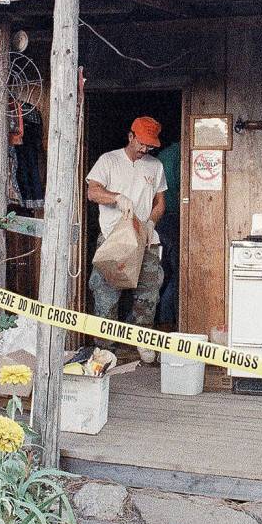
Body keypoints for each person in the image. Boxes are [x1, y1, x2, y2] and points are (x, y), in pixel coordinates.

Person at [86, 116, 167, 360]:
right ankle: (105, 349)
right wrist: (117, 198)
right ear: (130, 136)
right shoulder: (109, 160)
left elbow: (160, 202)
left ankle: (144, 342)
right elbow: (93, 191)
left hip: (145, 240)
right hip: (114, 239)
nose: (145, 149)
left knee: (148, 293)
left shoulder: (155, 166)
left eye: (150, 146)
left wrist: (151, 223)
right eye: (141, 143)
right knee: (105, 295)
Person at [156, 138, 180, 327]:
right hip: (175, 219)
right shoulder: (183, 154)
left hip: (158, 221)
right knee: (176, 274)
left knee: (161, 272)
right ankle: (166, 321)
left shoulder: (161, 157)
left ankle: (156, 321)